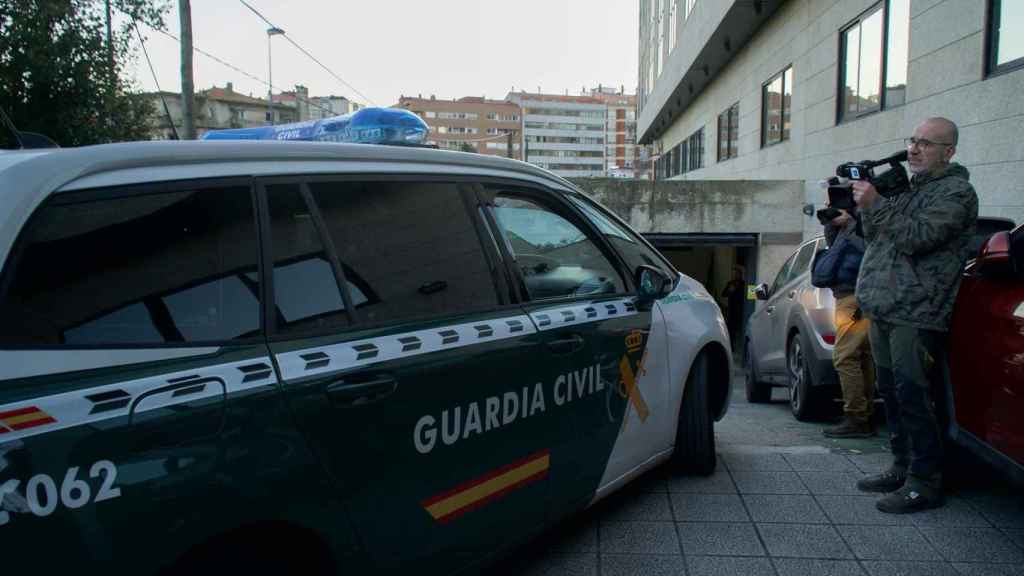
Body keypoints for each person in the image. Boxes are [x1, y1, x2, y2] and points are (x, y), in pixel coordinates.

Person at [852, 117, 978, 514]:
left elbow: (916, 238)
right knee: (890, 393)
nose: (914, 149)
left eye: (926, 143)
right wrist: (866, 209)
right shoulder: (909, 190)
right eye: (913, 141)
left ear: (948, 152)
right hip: (884, 306)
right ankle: (901, 467)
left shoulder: (957, 193)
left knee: (913, 395)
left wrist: (878, 205)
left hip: (917, 311)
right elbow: (878, 238)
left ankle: (925, 481)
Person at [818, 207, 875, 438]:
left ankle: (856, 417)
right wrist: (833, 223)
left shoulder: (865, 221)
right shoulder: (847, 226)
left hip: (857, 295)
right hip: (848, 295)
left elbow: (870, 250)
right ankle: (863, 414)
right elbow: (834, 247)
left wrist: (851, 223)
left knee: (844, 356)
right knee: (861, 357)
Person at [720, 266, 746, 352]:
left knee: (742, 329)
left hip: (742, 310)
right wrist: (729, 291)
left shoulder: (744, 284)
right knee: (731, 329)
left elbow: (746, 296)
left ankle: (742, 348)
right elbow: (723, 294)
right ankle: (731, 347)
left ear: (740, 274)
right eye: (733, 274)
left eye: (736, 273)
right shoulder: (730, 283)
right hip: (732, 310)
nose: (735, 275)